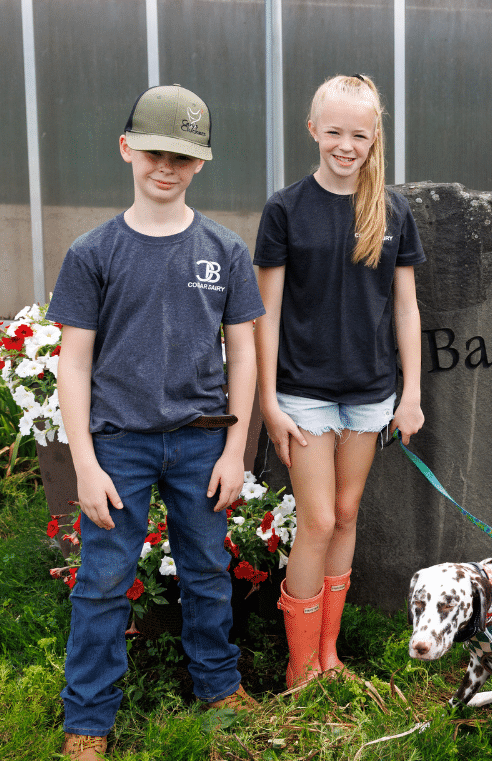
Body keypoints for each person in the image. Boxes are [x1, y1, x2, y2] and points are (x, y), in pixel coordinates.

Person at [51, 85, 264, 760]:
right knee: (104, 581)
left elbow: (246, 356)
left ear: (201, 163)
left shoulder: (225, 250)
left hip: (203, 443)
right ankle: (87, 721)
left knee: (206, 569)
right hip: (120, 446)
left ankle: (219, 687)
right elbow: (74, 363)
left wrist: (236, 452)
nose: (165, 168)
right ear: (126, 150)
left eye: (182, 156)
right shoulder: (93, 252)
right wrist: (85, 463)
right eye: (153, 153)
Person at [254, 74, 426, 688]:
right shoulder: (286, 209)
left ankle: (329, 656)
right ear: (312, 129)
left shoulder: (394, 211)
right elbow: (264, 313)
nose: (345, 145)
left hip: (371, 395)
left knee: (348, 515)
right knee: (319, 521)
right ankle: (301, 670)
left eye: (358, 133)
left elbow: (405, 308)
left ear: (376, 135)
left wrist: (411, 396)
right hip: (303, 395)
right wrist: (269, 403)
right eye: (333, 131)